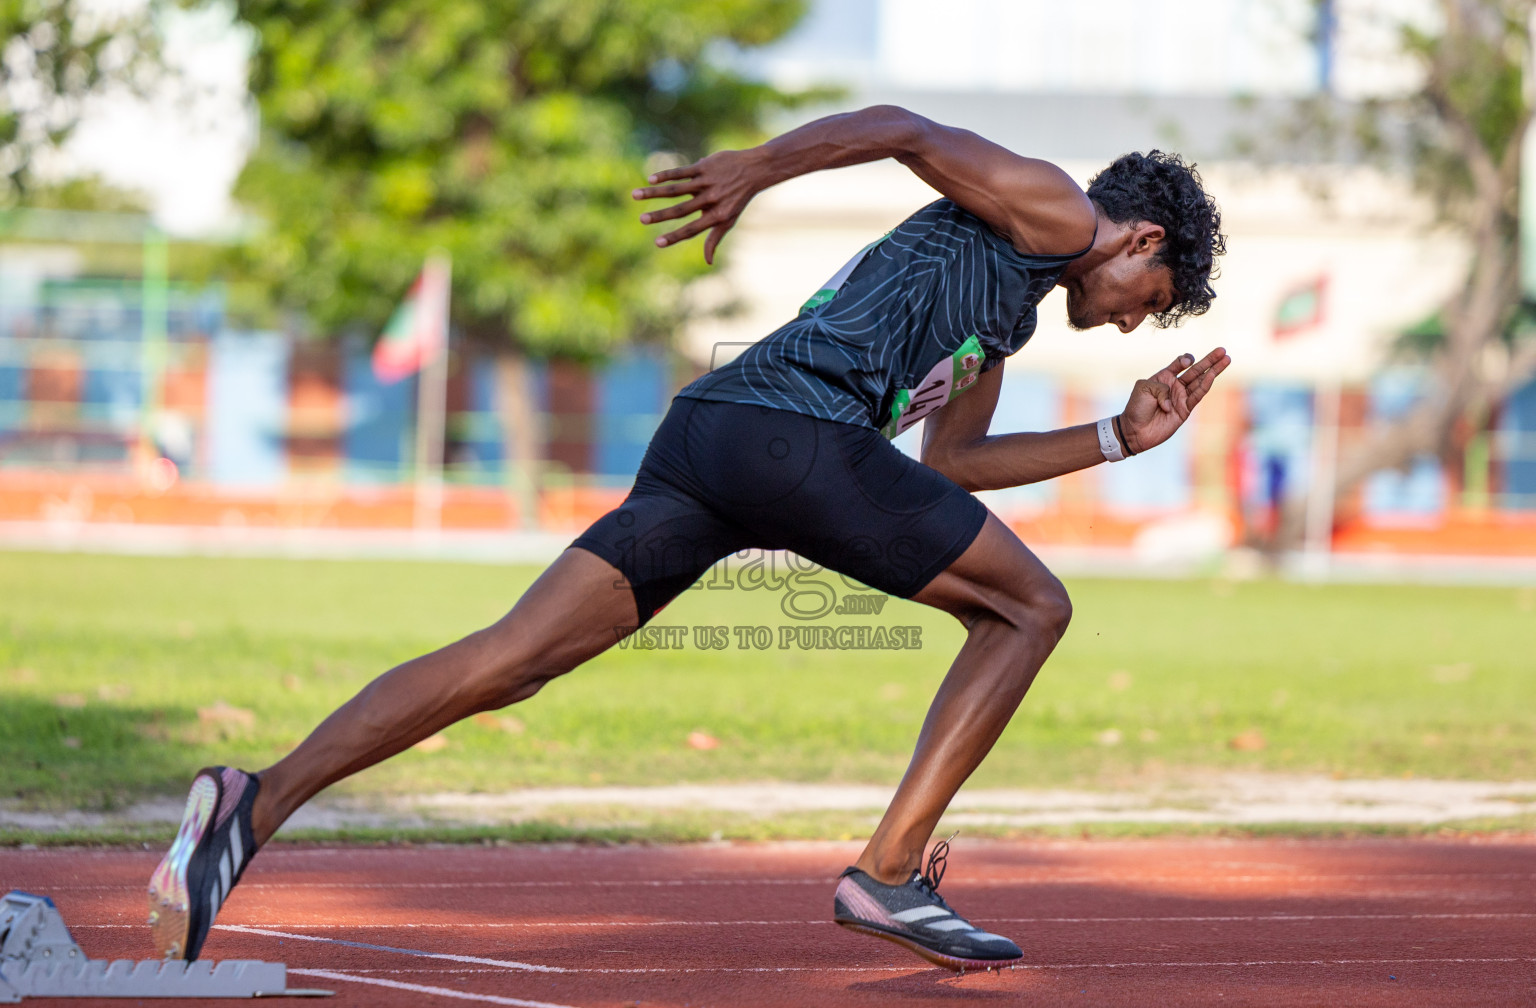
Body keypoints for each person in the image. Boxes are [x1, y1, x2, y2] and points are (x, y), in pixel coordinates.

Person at [147, 104, 1230, 972]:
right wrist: (754, 168)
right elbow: (907, 129)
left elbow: (949, 464)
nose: (1136, 319)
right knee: (1032, 606)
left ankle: (257, 797)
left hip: (716, 431)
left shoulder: (1011, 301)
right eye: (1153, 294)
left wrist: (1113, 439)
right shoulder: (1057, 213)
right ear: (1138, 239)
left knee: (513, 659)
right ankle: (889, 871)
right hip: (794, 432)